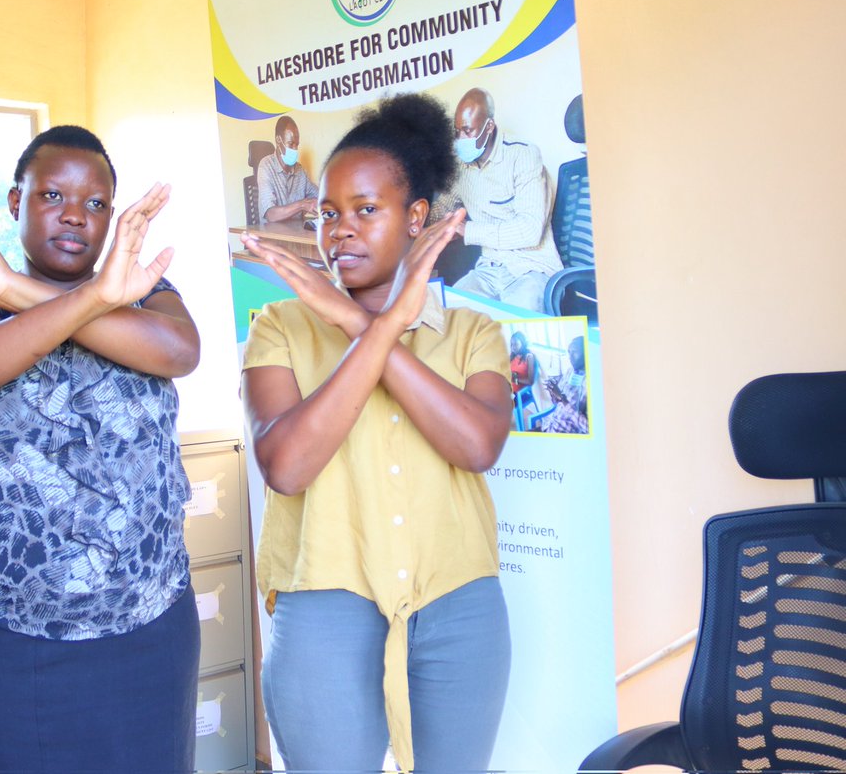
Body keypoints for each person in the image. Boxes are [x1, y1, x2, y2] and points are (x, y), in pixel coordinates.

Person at [0, 125, 201, 773]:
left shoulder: (142, 290)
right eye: (52, 195)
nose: (75, 214)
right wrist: (81, 300)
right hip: (14, 640)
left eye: (96, 203)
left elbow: (179, 350)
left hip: (149, 625)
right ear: (15, 201)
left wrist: (26, 293)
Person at [240, 93, 513, 773]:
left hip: (457, 599)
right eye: (329, 213)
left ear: (416, 217)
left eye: (366, 210)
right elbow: (287, 466)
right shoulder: (278, 327)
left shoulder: (474, 333)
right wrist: (384, 328)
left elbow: (477, 445)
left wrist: (363, 326)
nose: (341, 231)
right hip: (323, 597)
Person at [433, 87, 562, 312]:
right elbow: (442, 208)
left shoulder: (523, 156)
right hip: (489, 270)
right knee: (451, 311)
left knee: (516, 318)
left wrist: (467, 230)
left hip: (531, 268)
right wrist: (413, 219)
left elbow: (530, 231)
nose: (461, 139)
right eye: (457, 132)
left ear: (489, 126)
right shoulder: (461, 167)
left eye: (468, 131)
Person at [258, 115, 318, 222]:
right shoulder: (266, 166)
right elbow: (270, 214)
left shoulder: (300, 170)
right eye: (291, 144)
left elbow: (319, 195)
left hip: (296, 231)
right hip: (273, 231)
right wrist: (302, 205)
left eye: (297, 145)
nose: (295, 149)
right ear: (278, 140)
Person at [540, 335, 588, 434]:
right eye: (569, 352)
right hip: (551, 424)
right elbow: (557, 403)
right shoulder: (570, 371)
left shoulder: (591, 383)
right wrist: (553, 394)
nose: (570, 357)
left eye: (574, 352)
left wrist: (562, 399)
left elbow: (588, 428)